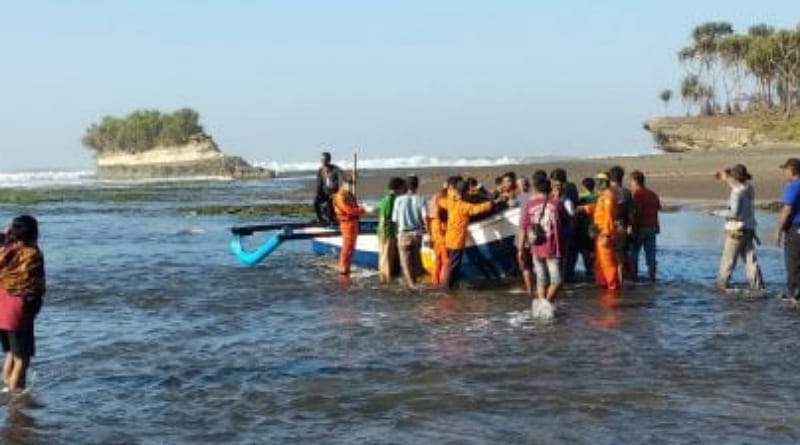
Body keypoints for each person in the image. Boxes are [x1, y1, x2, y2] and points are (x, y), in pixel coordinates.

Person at [0, 215, 45, 392]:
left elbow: (4, 239)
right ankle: (16, 398)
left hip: (1, 303)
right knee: (22, 358)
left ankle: (6, 387)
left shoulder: (6, 248)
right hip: (18, 308)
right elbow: (34, 284)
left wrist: (6, 234)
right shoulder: (33, 253)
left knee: (11, 353)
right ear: (34, 234)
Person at [441, 180, 500, 290]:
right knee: (453, 265)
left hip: (449, 238)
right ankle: (446, 288)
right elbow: (477, 209)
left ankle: (454, 285)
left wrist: (445, 188)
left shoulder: (451, 201)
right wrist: (492, 203)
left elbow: (443, 199)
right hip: (457, 240)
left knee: (453, 264)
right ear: (465, 191)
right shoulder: (464, 206)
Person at [716, 164, 763, 290]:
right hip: (750, 227)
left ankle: (722, 286)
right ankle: (757, 287)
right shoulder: (749, 189)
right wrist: (727, 178)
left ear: (734, 178)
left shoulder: (736, 193)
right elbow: (737, 184)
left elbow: (733, 213)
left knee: (728, 260)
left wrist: (716, 212)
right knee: (750, 260)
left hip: (737, 229)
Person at [518, 178, 565, 302]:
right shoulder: (557, 204)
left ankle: (542, 305)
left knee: (541, 280)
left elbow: (523, 229)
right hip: (553, 248)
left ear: (534, 189)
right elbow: (567, 221)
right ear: (549, 188)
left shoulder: (529, 205)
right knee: (557, 281)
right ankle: (546, 304)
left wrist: (520, 249)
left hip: (536, 248)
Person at [583, 172, 620, 291]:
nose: (598, 184)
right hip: (600, 233)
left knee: (607, 263)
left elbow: (609, 215)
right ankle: (604, 286)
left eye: (600, 181)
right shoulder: (603, 196)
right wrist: (585, 208)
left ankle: (611, 287)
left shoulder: (608, 196)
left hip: (605, 234)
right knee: (600, 262)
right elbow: (599, 209)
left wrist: (606, 234)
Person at [392, 175, 428, 288]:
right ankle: (416, 282)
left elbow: (394, 219)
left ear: (406, 186)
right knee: (416, 260)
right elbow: (425, 218)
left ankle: (412, 285)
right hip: (417, 234)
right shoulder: (421, 199)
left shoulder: (398, 200)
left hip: (403, 234)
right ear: (417, 186)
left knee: (405, 262)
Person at [775, 158, 800, 300]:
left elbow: (787, 209)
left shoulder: (792, 186)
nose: (783, 172)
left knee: (793, 262)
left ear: (791, 171)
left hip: (795, 228)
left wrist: (778, 230)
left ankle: (793, 293)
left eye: (785, 170)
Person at [630, 171, 661, 282]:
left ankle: (634, 278)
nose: (631, 184)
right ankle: (652, 278)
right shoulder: (653, 194)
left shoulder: (636, 194)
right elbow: (657, 210)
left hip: (640, 227)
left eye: (631, 182)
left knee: (634, 253)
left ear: (635, 181)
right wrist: (657, 226)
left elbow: (635, 212)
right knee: (651, 255)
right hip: (652, 227)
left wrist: (631, 227)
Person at [332, 176, 366, 275]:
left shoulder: (348, 194)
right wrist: (363, 210)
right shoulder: (341, 196)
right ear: (343, 184)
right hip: (347, 223)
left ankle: (346, 267)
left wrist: (360, 208)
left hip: (353, 223)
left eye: (351, 184)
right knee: (347, 248)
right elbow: (349, 210)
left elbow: (353, 208)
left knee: (350, 248)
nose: (351, 186)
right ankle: (343, 268)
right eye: (349, 184)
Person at [608, 166, 634, 285]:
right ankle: (620, 282)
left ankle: (610, 282)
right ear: (621, 178)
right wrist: (630, 226)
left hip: (606, 228)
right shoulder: (627, 192)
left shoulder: (605, 193)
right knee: (620, 257)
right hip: (621, 227)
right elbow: (631, 212)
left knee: (607, 256)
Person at [377, 177, 405, 283]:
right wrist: (383, 234)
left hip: (391, 232)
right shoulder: (390, 200)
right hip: (388, 232)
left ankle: (386, 279)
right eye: (402, 188)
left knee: (387, 257)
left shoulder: (388, 199)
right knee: (386, 258)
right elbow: (383, 218)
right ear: (398, 188)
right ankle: (386, 280)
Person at [551, 169, 577, 282]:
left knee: (562, 258)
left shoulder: (565, 197)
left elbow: (571, 214)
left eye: (556, 184)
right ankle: (563, 278)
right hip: (563, 230)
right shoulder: (570, 190)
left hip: (563, 231)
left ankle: (562, 279)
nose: (555, 187)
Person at [427, 179, 452, 286]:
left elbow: (428, 216)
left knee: (437, 258)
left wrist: (429, 234)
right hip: (441, 227)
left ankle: (434, 282)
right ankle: (443, 284)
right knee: (445, 260)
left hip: (434, 227)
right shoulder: (444, 197)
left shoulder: (434, 196)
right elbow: (442, 213)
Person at [575, 177, 598, 279]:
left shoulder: (582, 197)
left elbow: (578, 211)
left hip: (585, 226)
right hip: (596, 225)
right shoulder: (599, 196)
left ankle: (589, 270)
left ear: (584, 186)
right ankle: (595, 269)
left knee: (585, 250)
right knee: (594, 249)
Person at [314, 152, 343, 224]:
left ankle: (332, 219)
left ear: (329, 160)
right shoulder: (320, 171)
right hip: (324, 193)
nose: (323, 161)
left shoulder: (335, 169)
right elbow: (319, 184)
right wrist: (318, 195)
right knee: (315, 202)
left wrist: (349, 177)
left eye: (325, 159)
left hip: (334, 193)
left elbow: (342, 175)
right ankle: (320, 219)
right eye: (322, 159)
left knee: (330, 204)